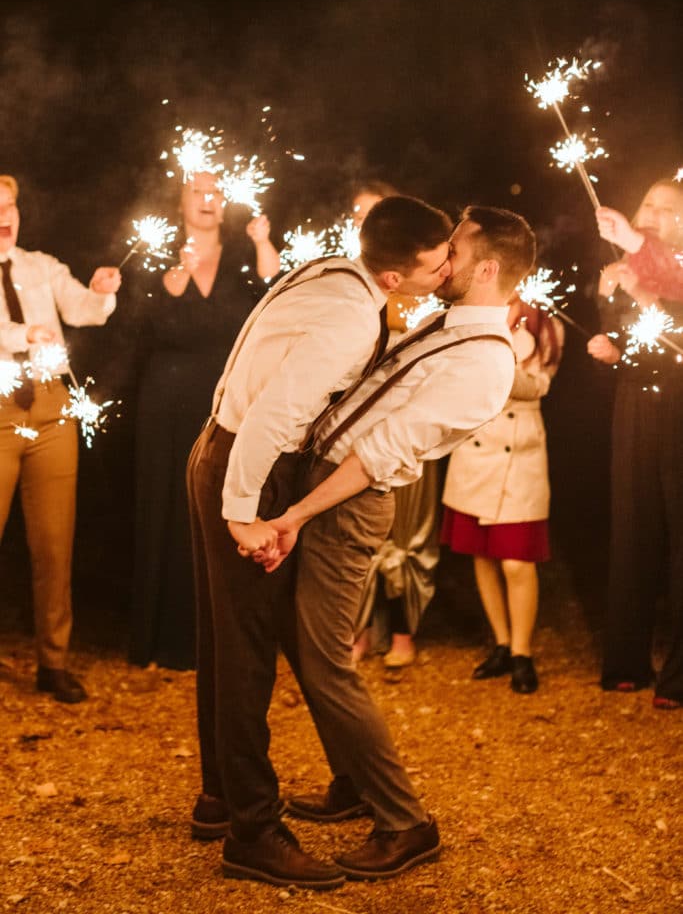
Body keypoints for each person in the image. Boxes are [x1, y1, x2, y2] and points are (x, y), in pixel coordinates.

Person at [245, 205, 535, 881]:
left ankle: (405, 821)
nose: (438, 257)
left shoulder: (485, 362)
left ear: (486, 267)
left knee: (325, 663)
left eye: (451, 250)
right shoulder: (446, 321)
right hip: (325, 487)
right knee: (302, 640)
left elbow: (378, 455)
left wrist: (294, 514)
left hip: (348, 505)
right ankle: (354, 781)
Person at [187, 195, 453, 889]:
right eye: (436, 262)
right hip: (249, 461)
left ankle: (218, 798)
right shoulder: (347, 317)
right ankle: (253, 832)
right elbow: (273, 418)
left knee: (226, 636)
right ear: (393, 278)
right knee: (246, 652)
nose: (447, 267)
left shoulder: (335, 270)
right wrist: (243, 511)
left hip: (219, 446)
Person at [129, 171, 278, 670]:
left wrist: (264, 242)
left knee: (219, 508)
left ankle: (217, 641)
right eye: (197, 192)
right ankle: (160, 640)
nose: (208, 200)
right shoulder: (157, 259)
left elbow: (275, 293)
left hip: (224, 401)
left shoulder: (242, 261)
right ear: (180, 203)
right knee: (166, 507)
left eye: (216, 192)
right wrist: (170, 278)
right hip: (165, 402)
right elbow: (137, 322)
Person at [0, 174, 121, 703]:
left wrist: (100, 294)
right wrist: (24, 335)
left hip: (51, 411)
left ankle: (53, 662)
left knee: (54, 544)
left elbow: (81, 312)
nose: (5, 215)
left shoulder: (41, 266)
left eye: (10, 205)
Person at [587, 178, 683, 709]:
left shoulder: (666, 266)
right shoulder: (618, 271)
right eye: (648, 203)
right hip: (636, 404)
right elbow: (624, 342)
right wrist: (610, 345)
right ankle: (626, 660)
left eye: (669, 209)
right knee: (632, 524)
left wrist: (635, 262)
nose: (653, 213)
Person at [441, 295, 564, 693]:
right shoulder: (473, 318)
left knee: (516, 561)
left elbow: (537, 387)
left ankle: (522, 654)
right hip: (477, 446)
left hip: (520, 451)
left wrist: (496, 359)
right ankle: (502, 643)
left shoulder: (548, 326)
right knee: (483, 554)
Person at [350, 180, 440, 670]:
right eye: (358, 213)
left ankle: (403, 631)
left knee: (404, 528)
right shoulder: (348, 282)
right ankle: (358, 629)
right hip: (358, 421)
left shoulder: (420, 285)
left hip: (407, 420)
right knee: (357, 523)